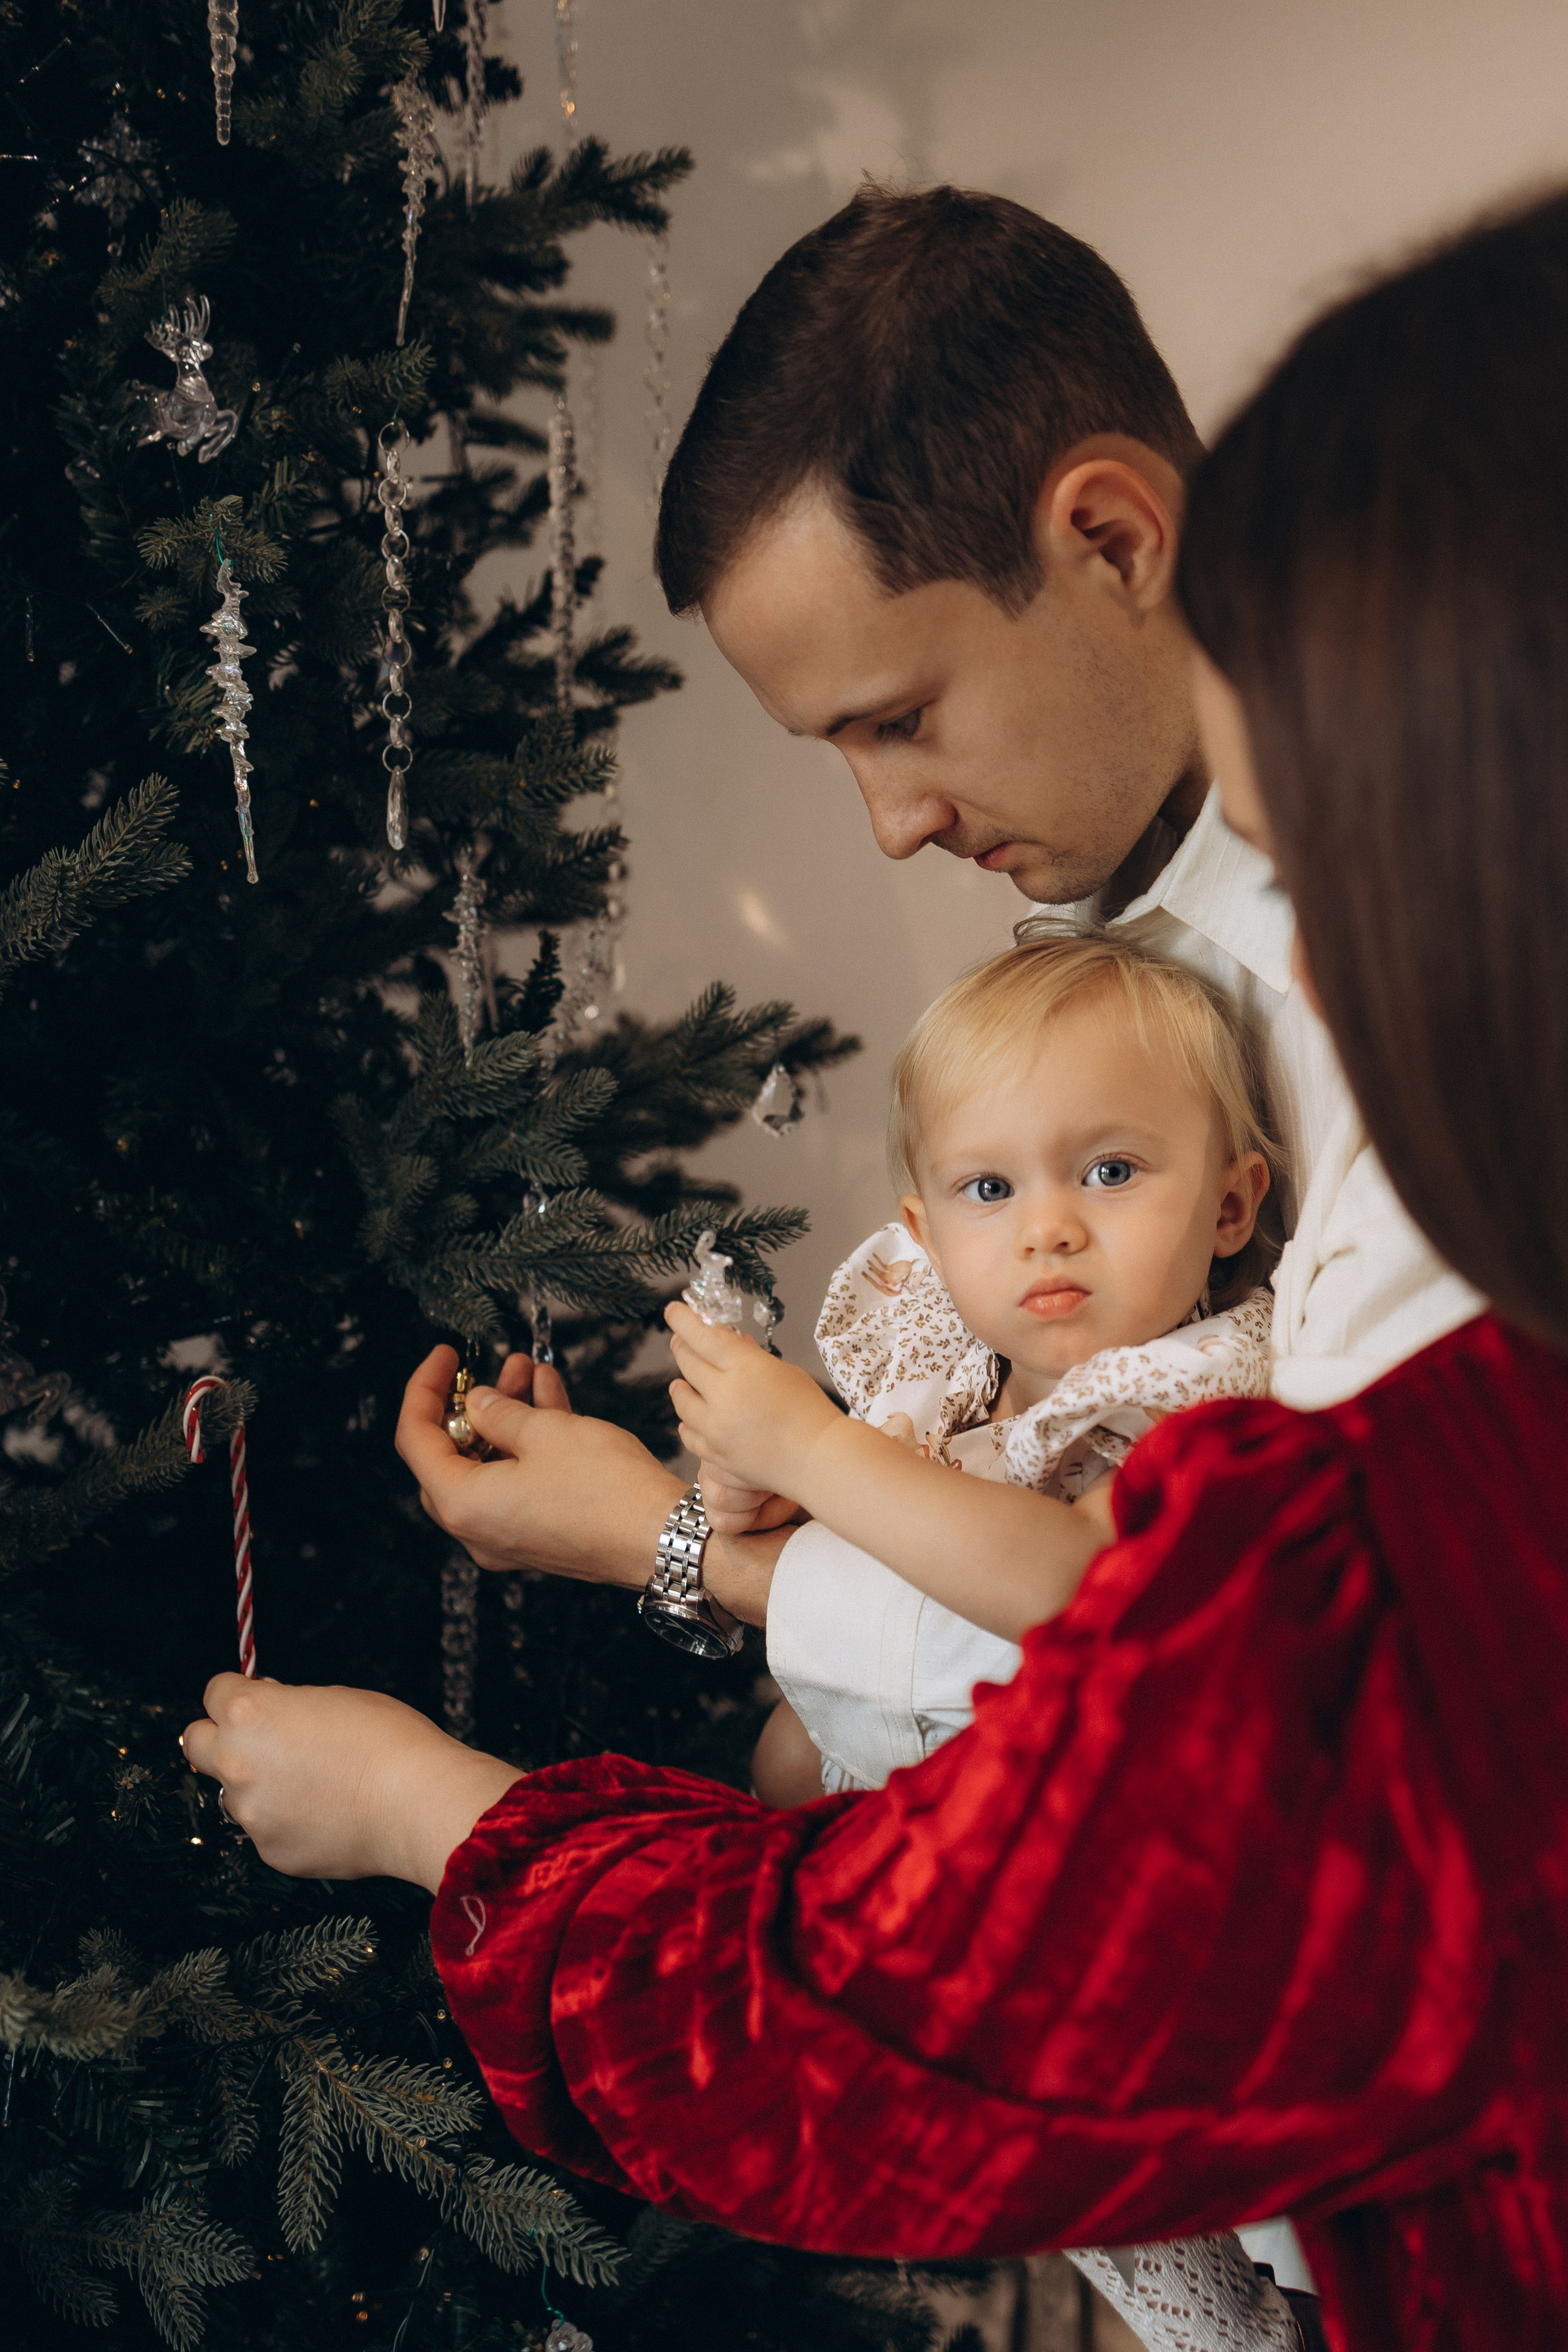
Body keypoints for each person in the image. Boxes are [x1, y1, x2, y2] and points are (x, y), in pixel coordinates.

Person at [186, 186, 1568, 2350]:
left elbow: (949, 1983)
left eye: (1334, 865)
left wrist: (431, 1802)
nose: (887, 829)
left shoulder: (1457, 1478)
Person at [679, 934, 1275, 1804]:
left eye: (1110, 1172)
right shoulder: (946, 1373)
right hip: (901, 1779)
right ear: (928, 1240)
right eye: (990, 1190)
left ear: (1229, 1209)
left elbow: (1078, 1582)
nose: (1047, 1230)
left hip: (1075, 1808)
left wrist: (809, 1449)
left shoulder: (1194, 1385)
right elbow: (878, 1514)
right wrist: (768, 1491)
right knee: (783, 1752)